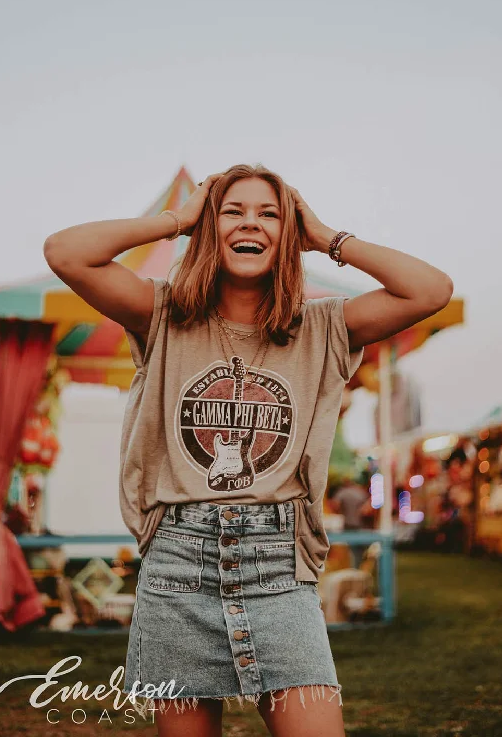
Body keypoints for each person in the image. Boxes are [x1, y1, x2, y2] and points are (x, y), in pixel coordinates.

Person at [43, 163, 453, 737]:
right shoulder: (163, 314)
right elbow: (65, 252)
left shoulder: (323, 327)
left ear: (290, 234)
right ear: (211, 229)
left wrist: (328, 237)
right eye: (232, 211)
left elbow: (431, 290)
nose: (250, 223)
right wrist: (177, 219)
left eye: (270, 214)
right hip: (178, 564)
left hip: (278, 567)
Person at [331, 478, 369, 567]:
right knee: (359, 549)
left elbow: (335, 504)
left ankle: (353, 567)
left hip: (348, 524)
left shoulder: (342, 492)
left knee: (351, 549)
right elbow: (367, 509)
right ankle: (358, 566)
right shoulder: (361, 492)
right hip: (361, 524)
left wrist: (342, 511)